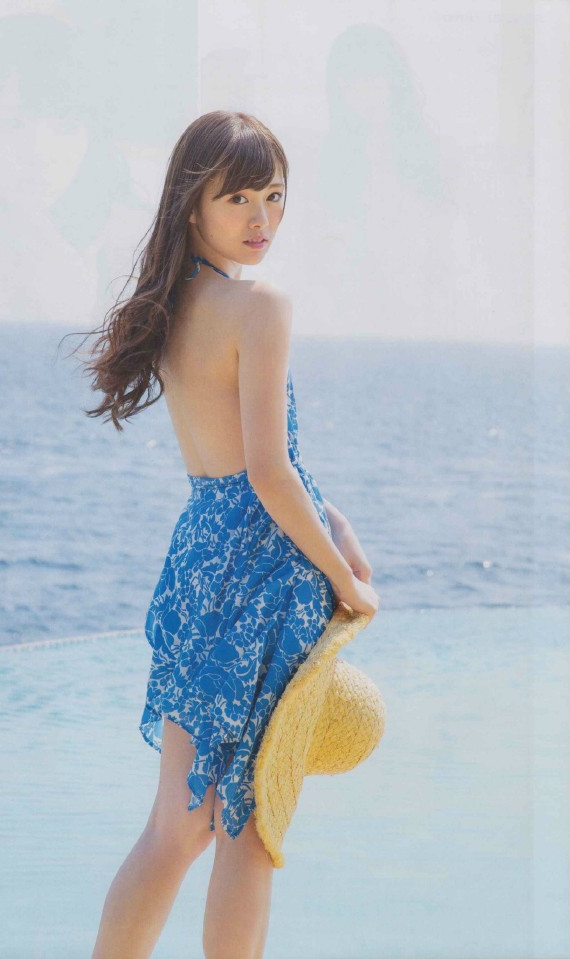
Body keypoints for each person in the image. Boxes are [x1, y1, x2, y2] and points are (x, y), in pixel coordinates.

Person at [73, 110, 379, 959]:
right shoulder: (259, 306)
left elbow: (241, 469)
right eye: (238, 197)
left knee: (175, 830)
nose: (261, 217)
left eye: (273, 196)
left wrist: (334, 518)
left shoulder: (170, 308)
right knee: (249, 825)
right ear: (192, 202)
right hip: (267, 568)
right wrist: (345, 581)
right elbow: (269, 474)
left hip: (200, 556)